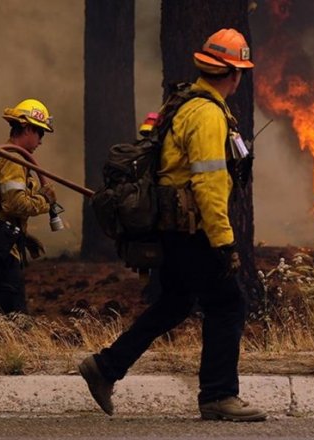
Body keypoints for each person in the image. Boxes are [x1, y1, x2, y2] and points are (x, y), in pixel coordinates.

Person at [78, 28, 266, 422]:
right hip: (193, 232)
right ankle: (218, 396)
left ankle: (105, 367)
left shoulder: (184, 102)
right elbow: (209, 184)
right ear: (233, 74)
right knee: (229, 304)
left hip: (173, 229)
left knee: (175, 302)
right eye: (240, 73)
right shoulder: (209, 114)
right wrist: (224, 243)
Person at [0, 98, 57, 319]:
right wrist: (45, 202)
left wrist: (23, 237)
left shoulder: (6, 158)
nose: (41, 141)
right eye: (40, 133)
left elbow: (3, 204)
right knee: (12, 320)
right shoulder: (13, 160)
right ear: (26, 128)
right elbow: (14, 203)